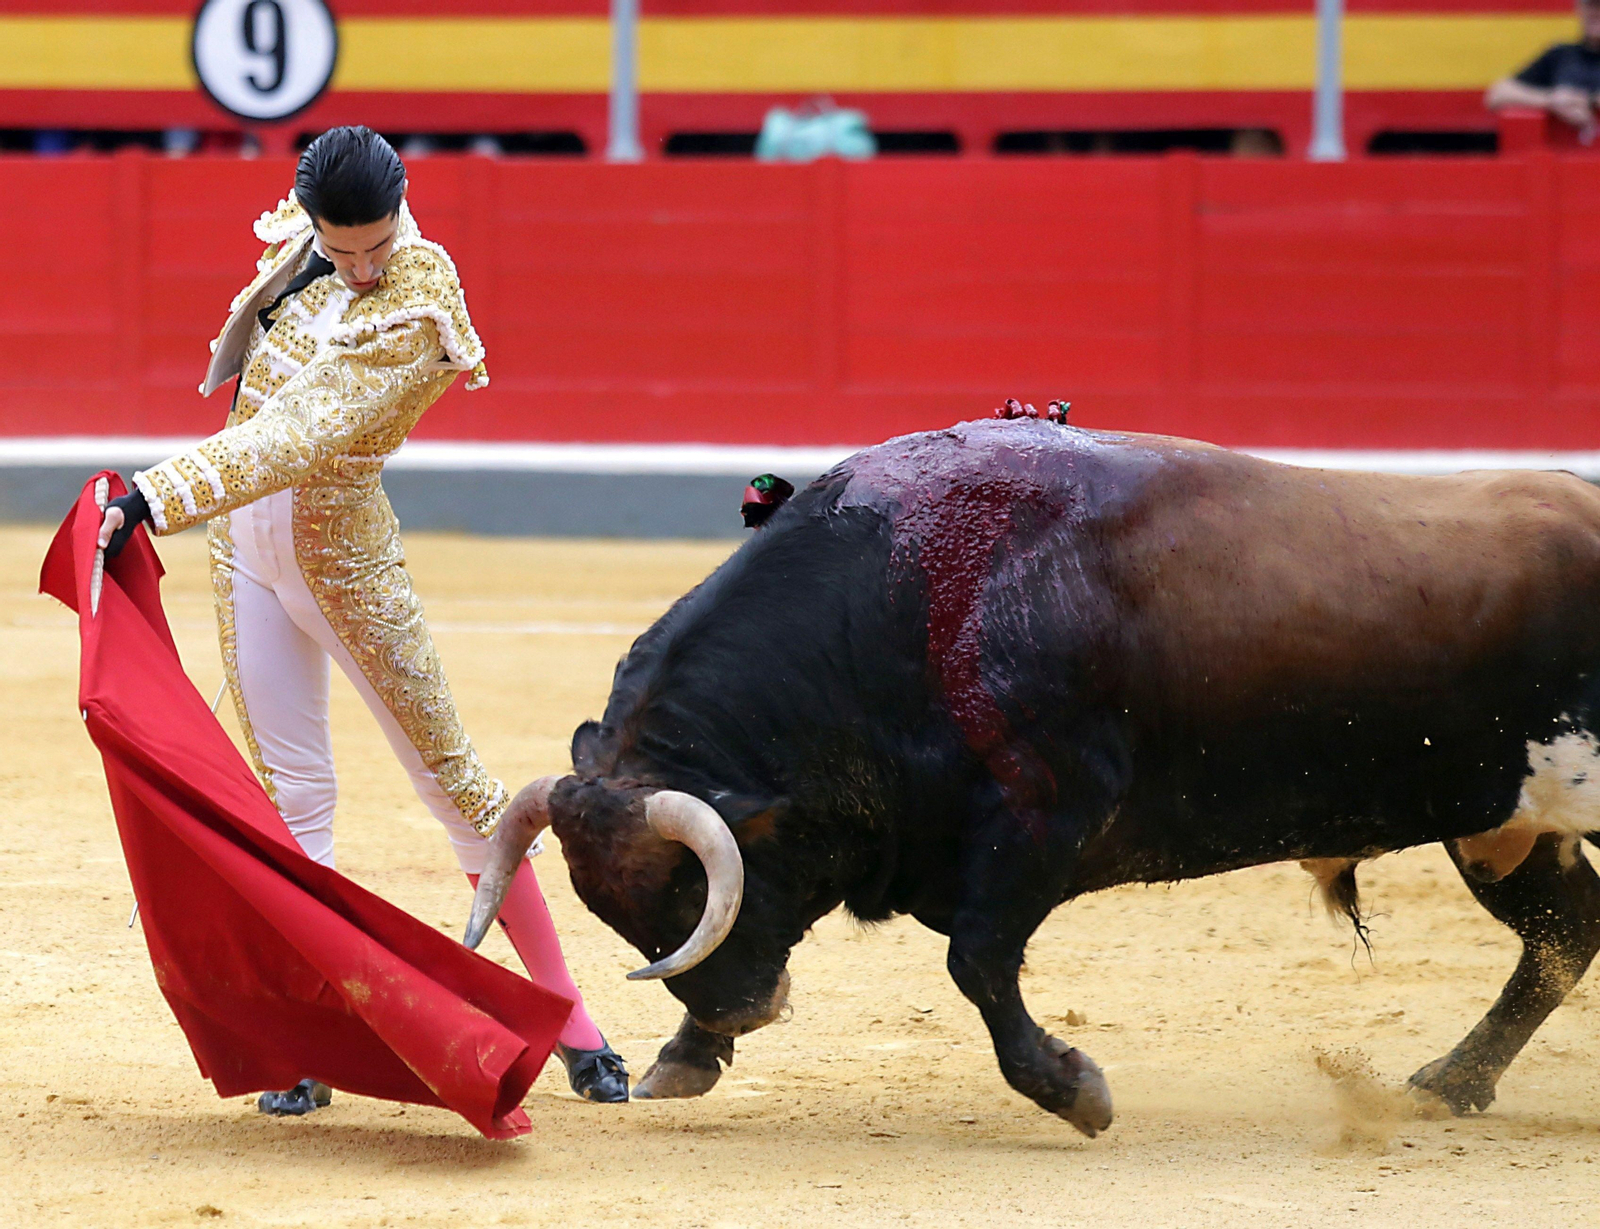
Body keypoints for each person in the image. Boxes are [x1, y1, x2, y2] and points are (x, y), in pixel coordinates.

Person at [96, 125, 628, 1111]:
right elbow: (249, 395)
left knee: (456, 783)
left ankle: (569, 1016)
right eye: (343, 250)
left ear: (401, 212)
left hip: (343, 561)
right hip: (244, 554)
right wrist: (178, 501)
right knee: (293, 793)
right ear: (312, 223)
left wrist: (154, 494)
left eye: (374, 244)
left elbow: (296, 434)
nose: (363, 267)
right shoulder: (301, 250)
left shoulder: (422, 296)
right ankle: (313, 1031)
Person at [1487, 0, 1600, 133]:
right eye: (1591, 6)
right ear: (1579, 8)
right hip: (1563, 150)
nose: (1596, 13)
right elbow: (1497, 95)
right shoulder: (1562, 55)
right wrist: (1552, 100)